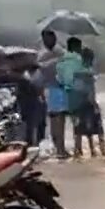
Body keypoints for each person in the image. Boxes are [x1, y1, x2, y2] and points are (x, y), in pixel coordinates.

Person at [0, 50, 42, 145]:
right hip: (13, 119)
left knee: (14, 144)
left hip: (12, 120)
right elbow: (34, 96)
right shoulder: (19, 79)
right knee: (21, 144)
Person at [37, 30, 68, 158]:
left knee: (59, 120)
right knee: (55, 120)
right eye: (45, 39)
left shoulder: (62, 52)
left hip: (60, 89)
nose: (47, 41)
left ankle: (60, 149)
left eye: (49, 38)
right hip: (50, 90)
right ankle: (59, 149)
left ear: (54, 39)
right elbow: (39, 74)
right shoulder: (42, 55)